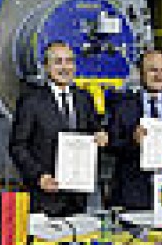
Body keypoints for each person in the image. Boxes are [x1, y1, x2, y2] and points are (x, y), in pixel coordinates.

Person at [9, 41, 108, 217]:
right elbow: (17, 146)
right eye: (58, 62)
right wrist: (39, 176)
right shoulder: (31, 101)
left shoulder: (84, 99)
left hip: (78, 196)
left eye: (69, 61)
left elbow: (95, 130)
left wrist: (101, 135)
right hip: (44, 197)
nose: (65, 67)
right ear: (46, 67)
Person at [107, 49, 162, 209]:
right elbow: (111, 146)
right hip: (132, 192)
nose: (159, 75)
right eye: (153, 70)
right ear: (141, 73)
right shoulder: (122, 107)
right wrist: (132, 140)